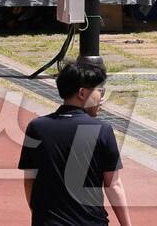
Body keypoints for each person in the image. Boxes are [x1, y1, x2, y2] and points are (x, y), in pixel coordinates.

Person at [19, 60, 132, 226]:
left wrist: (41, 217)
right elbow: (113, 185)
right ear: (82, 93)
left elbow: (29, 181)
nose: (102, 97)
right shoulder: (103, 130)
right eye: (100, 91)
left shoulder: (36, 128)